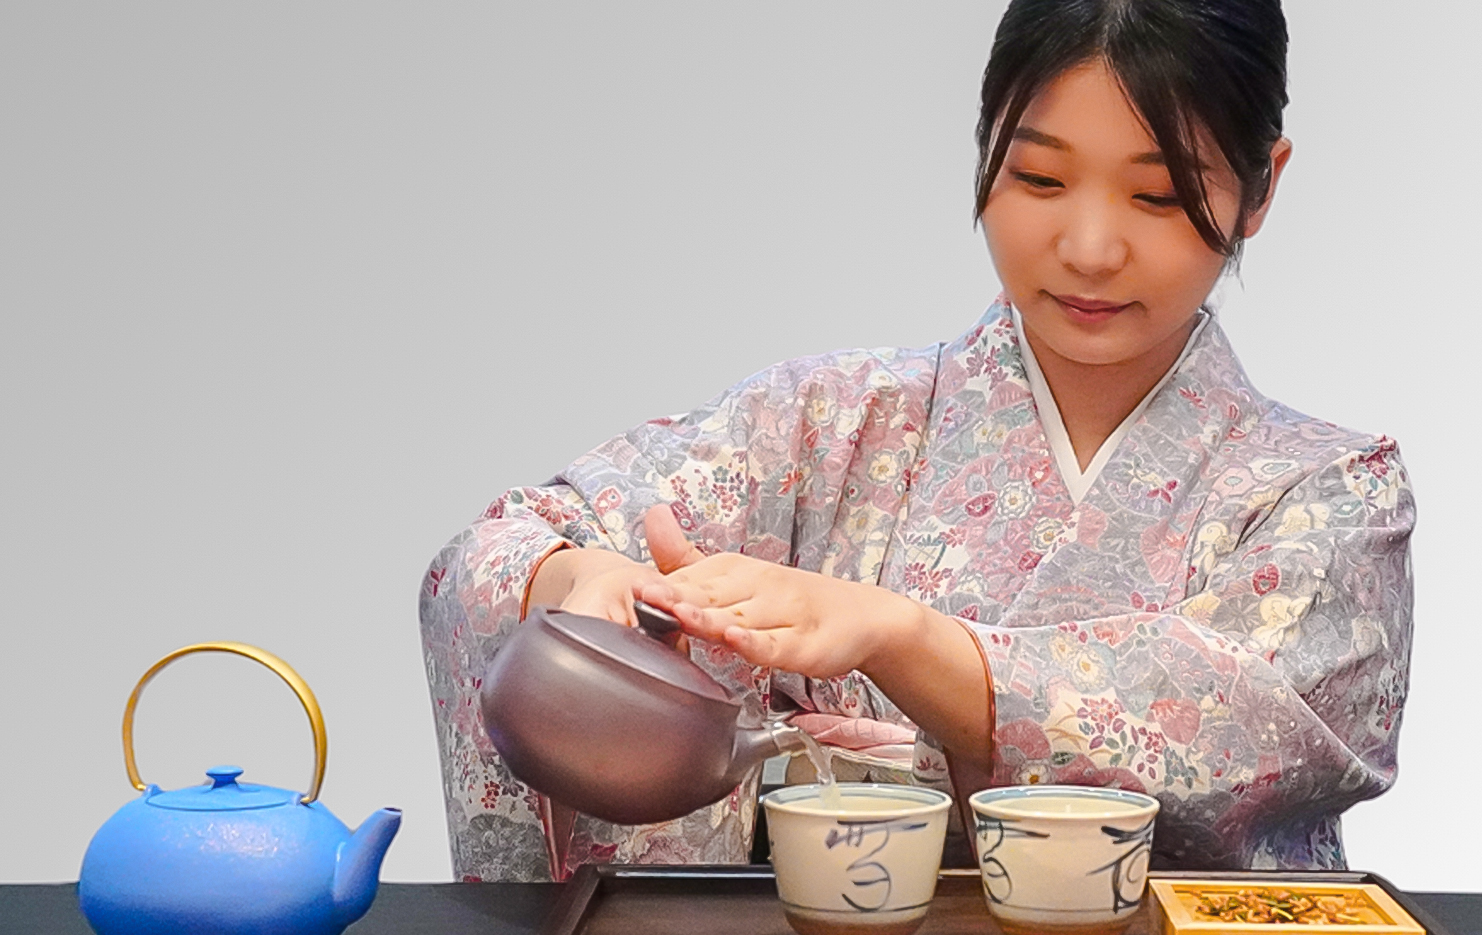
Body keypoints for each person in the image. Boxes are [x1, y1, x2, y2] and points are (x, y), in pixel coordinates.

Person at [420, 0, 1414, 883]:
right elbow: (497, 547)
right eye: (1038, 177)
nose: (1090, 246)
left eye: (1157, 196)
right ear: (986, 143)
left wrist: (900, 635)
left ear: (1260, 185)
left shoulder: (1326, 494)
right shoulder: (825, 423)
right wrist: (576, 582)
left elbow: (1241, 732)